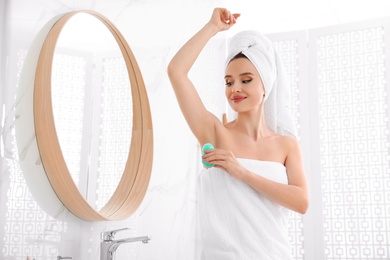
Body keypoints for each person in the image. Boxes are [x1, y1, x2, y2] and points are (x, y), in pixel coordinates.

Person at [167, 7, 309, 260]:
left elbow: (301, 202)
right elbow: (176, 71)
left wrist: (241, 172)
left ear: (265, 85)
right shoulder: (214, 132)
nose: (235, 89)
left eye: (246, 80)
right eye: (229, 81)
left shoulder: (287, 145)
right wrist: (212, 28)